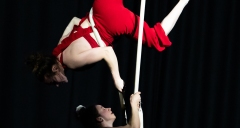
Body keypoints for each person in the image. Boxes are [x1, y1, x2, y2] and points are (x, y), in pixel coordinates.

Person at [26, 0, 189, 91]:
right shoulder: (59, 48)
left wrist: (116, 79)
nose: (57, 84)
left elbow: (107, 52)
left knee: (154, 38)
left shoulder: (71, 61)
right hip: (100, 7)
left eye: (52, 81)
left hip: (112, 21)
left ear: (54, 69)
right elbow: (75, 20)